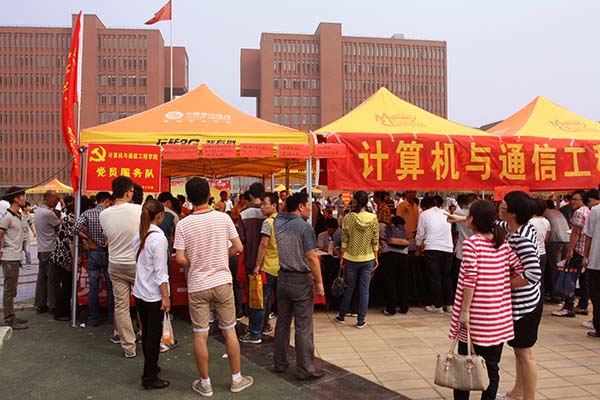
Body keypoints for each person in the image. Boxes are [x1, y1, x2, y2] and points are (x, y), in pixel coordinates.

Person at [174, 177, 253, 396]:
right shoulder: (223, 218)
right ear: (209, 195)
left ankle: (205, 383)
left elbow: (179, 258)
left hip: (198, 284)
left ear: (188, 199)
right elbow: (238, 247)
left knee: (200, 334)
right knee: (229, 330)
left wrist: (195, 262)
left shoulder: (183, 224)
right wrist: (221, 255)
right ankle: (236, 379)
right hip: (222, 282)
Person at [449, 200, 522, 400]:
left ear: (472, 219)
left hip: (474, 317)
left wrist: (464, 311)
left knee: (464, 364)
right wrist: (500, 285)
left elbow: (470, 278)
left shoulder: (472, 243)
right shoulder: (502, 243)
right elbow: (519, 268)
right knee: (491, 367)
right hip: (497, 317)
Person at [273, 192, 325, 380]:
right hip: (300, 280)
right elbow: (311, 257)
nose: (311, 208)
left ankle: (280, 363)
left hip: (283, 278)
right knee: (303, 326)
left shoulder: (278, 222)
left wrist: (287, 203)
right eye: (308, 204)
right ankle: (305, 369)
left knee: (282, 323)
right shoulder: (304, 227)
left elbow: (281, 211)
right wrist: (319, 281)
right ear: (301, 206)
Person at [497, 191, 542, 400]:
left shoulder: (520, 238)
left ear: (512, 213)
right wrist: (465, 219)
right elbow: (497, 224)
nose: (499, 209)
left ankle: (528, 397)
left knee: (525, 354)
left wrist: (503, 284)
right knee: (519, 351)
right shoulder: (521, 227)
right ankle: (518, 392)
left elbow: (533, 273)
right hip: (526, 302)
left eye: (503, 207)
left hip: (526, 305)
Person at [99, 176, 143, 358]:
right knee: (146, 302)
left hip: (116, 264)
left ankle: (128, 347)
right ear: (128, 193)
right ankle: (149, 338)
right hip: (137, 264)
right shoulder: (139, 210)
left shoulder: (104, 214)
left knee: (121, 306)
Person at [132, 199, 170, 390]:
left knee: (147, 332)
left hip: (140, 291)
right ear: (160, 215)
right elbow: (161, 272)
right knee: (153, 336)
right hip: (154, 294)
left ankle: (151, 367)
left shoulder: (140, 234)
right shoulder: (159, 239)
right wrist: (166, 296)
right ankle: (149, 376)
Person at [335, 190, 379, 328]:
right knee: (364, 290)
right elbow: (375, 240)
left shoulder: (348, 218)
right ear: (366, 202)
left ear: (355, 201)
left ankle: (341, 315)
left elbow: (344, 240)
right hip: (368, 257)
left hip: (351, 257)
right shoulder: (373, 218)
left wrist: (342, 257)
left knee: (349, 288)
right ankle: (361, 320)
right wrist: (376, 257)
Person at [240, 192, 279, 344]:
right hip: (278, 267)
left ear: (274, 205)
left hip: (266, 267)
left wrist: (257, 265)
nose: (262, 207)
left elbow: (263, 245)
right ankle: (263, 327)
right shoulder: (280, 220)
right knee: (268, 301)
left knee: (259, 301)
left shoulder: (268, 222)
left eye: (265, 204)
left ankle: (255, 333)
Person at [73, 191, 114, 327]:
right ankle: (111, 317)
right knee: (110, 287)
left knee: (93, 287)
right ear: (106, 200)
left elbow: (75, 228)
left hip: (93, 252)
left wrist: (87, 238)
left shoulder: (87, 213)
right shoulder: (110, 214)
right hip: (108, 252)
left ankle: (93, 318)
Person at [552, 190, 588, 318]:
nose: (572, 202)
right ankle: (583, 305)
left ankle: (568, 307)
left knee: (570, 278)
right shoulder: (588, 211)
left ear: (583, 200)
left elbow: (575, 232)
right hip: (585, 251)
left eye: (576, 199)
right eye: (572, 199)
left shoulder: (579, 212)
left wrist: (570, 249)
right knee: (584, 280)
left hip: (577, 250)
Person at [416, 196, 454, 314]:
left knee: (435, 277)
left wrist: (417, 248)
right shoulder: (445, 213)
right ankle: (449, 304)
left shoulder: (424, 214)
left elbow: (420, 234)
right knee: (446, 276)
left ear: (424, 206)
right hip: (448, 248)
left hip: (432, 248)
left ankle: (437, 305)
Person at [0, 187, 29, 330]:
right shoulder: (7, 217)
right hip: (9, 256)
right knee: (9, 289)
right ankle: (9, 319)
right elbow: (0, 234)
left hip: (16, 256)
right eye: (22, 196)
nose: (24, 199)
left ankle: (11, 315)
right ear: (15, 199)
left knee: (12, 289)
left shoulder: (17, 215)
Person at [33, 190, 61, 314]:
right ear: (48, 199)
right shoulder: (48, 213)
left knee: (42, 278)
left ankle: (40, 304)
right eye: (55, 198)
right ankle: (53, 305)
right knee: (52, 279)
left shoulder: (38, 211)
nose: (57, 201)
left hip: (41, 248)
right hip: (50, 248)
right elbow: (59, 227)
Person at [51, 195, 75, 321]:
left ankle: (62, 311)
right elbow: (71, 241)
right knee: (65, 285)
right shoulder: (71, 219)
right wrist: (74, 258)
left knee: (65, 285)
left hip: (59, 255)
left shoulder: (69, 218)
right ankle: (61, 313)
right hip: (63, 257)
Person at [379, 215, 410, 315]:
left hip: (389, 255)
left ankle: (391, 308)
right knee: (403, 282)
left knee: (390, 282)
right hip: (404, 256)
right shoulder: (403, 230)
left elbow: (382, 241)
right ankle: (404, 307)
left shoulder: (386, 228)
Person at [543, 199, 570, 301]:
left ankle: (557, 296)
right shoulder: (558, 212)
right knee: (562, 268)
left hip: (555, 241)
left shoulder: (545, 213)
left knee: (556, 269)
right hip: (567, 240)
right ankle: (563, 294)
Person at [582, 197, 600, 339]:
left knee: (597, 296)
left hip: (596, 260)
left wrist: (585, 255)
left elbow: (589, 235)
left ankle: (598, 327)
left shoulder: (596, 210)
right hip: (595, 260)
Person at [528, 199, 550, 298]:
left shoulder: (529, 222)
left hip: (532, 252)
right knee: (541, 279)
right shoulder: (546, 221)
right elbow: (547, 238)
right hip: (542, 252)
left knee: (531, 279)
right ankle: (540, 300)